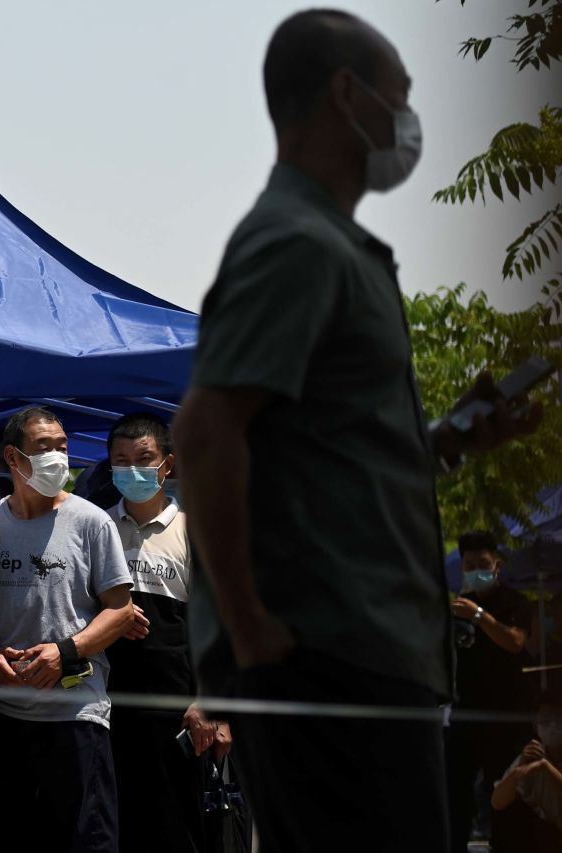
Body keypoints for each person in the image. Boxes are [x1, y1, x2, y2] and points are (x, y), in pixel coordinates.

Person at [172, 10, 543, 852]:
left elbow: (330, 458)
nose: (409, 120)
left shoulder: (332, 246)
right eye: (400, 96)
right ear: (348, 94)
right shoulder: (297, 242)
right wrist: (251, 622)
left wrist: (448, 439)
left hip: (366, 657)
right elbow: (205, 432)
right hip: (329, 663)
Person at [0, 406, 139, 853]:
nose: (58, 458)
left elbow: (121, 610)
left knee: (87, 840)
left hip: (75, 714)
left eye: (62, 447)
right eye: (44, 448)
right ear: (13, 458)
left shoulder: (91, 521)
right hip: (3, 716)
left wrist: (65, 652)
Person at [103, 413, 227, 853]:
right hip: (104, 708)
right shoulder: (96, 527)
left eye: (144, 459)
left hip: (176, 714)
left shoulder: (195, 531)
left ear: (167, 464)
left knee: (175, 831)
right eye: (121, 460)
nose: (133, 470)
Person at [447, 530, 533, 852]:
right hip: (465, 711)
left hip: (505, 715)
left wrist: (479, 617)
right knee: (456, 789)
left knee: (504, 792)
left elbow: (515, 642)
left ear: (496, 565)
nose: (475, 571)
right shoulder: (456, 606)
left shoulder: (514, 602)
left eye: (482, 564)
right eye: (469, 565)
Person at [490, 687, 562, 852]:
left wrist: (546, 767)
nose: (553, 724)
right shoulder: (533, 754)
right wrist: (518, 772)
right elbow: (497, 802)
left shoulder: (542, 762)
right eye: (545, 718)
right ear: (536, 726)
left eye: (558, 717)